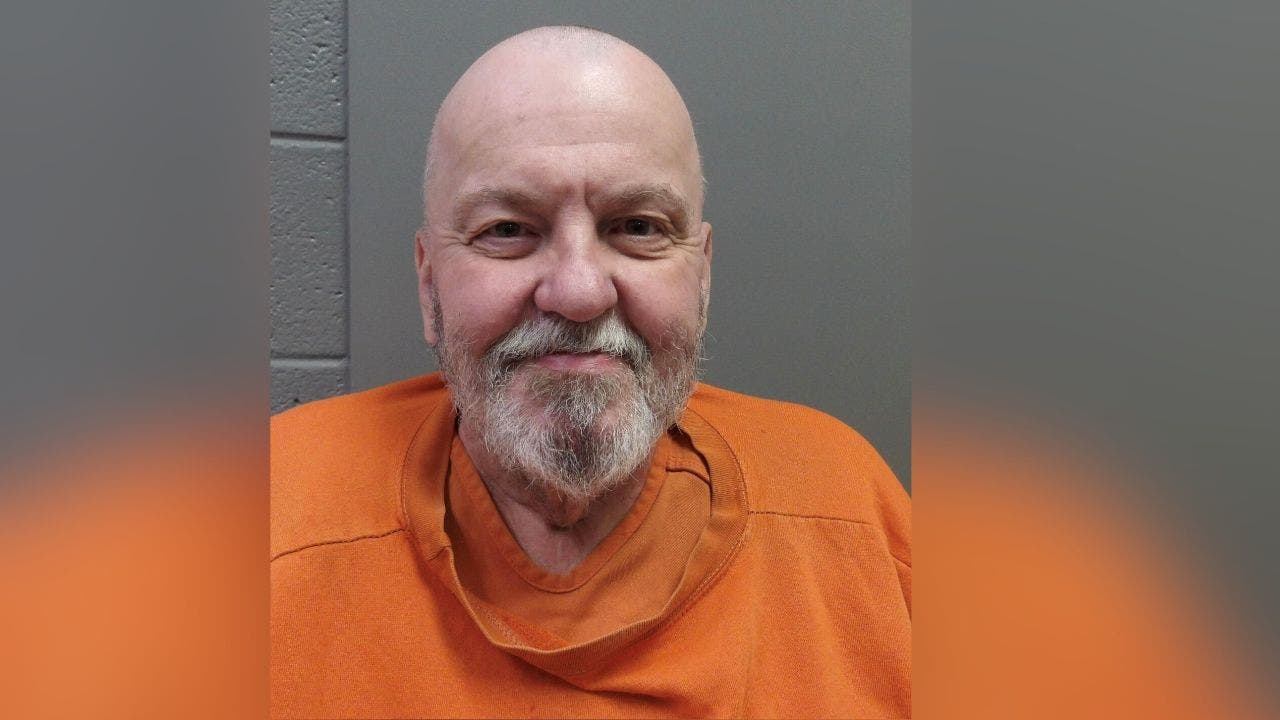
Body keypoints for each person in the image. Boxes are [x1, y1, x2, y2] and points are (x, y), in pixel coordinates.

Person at [271, 25, 910, 718]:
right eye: (507, 230)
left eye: (638, 227)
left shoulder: (851, 513)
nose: (579, 293)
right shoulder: (274, 514)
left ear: (701, 278)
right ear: (429, 288)